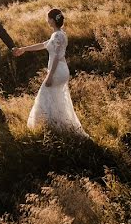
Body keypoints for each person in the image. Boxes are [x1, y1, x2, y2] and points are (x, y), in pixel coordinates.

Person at [13, 8, 88, 136]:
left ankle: (49, 127)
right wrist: (24, 49)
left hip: (57, 71)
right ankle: (59, 127)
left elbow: (57, 57)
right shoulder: (59, 34)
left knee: (44, 96)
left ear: (52, 20)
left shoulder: (58, 35)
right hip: (62, 70)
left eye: (48, 18)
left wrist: (49, 75)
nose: (47, 20)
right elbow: (43, 45)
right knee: (56, 99)